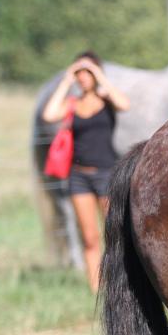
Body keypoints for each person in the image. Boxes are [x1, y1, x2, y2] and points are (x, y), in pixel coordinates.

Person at [41, 51, 130, 292]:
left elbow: (125, 104)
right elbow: (49, 115)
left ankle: (120, 285)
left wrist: (100, 76)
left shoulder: (107, 100)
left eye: (86, 72)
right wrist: (66, 81)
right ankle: (95, 288)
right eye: (78, 73)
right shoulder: (72, 104)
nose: (82, 77)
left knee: (114, 234)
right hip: (78, 176)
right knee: (89, 237)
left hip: (106, 174)